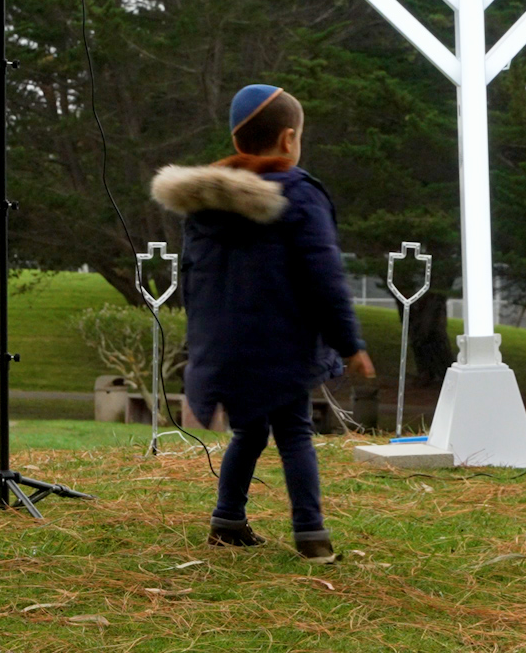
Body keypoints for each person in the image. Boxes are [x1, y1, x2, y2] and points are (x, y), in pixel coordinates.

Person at [151, 84, 375, 564]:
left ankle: (228, 520)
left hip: (228, 345)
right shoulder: (298, 195)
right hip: (282, 344)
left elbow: (194, 280)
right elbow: (324, 275)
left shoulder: (204, 202)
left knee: (249, 433)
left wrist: (205, 343)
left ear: (238, 141)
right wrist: (350, 343)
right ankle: (311, 534)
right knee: (294, 432)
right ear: (289, 138)